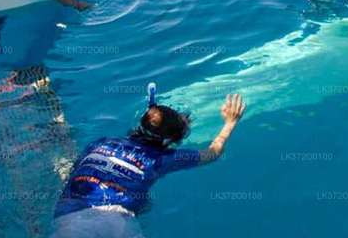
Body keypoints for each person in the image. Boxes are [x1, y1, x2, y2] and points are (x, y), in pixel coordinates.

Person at [51, 87, 246, 238]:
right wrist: (229, 123)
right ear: (170, 140)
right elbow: (214, 152)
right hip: (118, 219)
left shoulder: (101, 143)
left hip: (71, 216)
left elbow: (72, 171)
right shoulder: (162, 159)